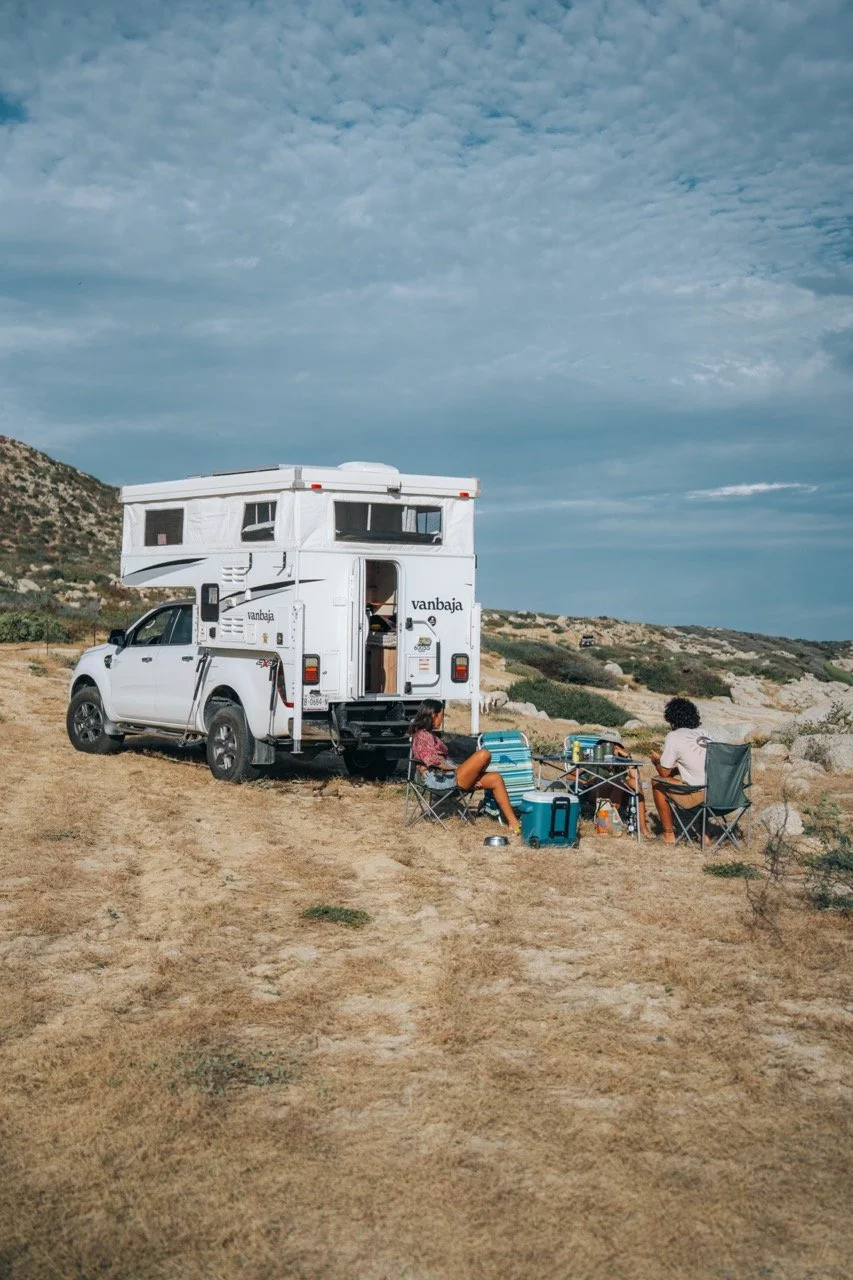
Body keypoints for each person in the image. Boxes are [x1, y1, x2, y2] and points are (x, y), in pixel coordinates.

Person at [409, 699, 520, 834]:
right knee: (483, 754)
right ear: (433, 715)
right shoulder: (422, 736)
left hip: (450, 776)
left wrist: (469, 772)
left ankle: (513, 823)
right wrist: (467, 772)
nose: (442, 719)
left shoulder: (430, 735)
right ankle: (473, 780)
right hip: (440, 780)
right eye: (441, 715)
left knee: (495, 778)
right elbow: (436, 764)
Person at [650, 698, 710, 844]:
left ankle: (668, 834)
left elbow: (664, 773)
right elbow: (700, 766)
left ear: (671, 719)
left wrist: (656, 761)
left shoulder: (674, 736)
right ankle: (705, 835)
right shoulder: (706, 733)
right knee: (705, 781)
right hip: (724, 795)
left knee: (657, 782)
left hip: (699, 795)